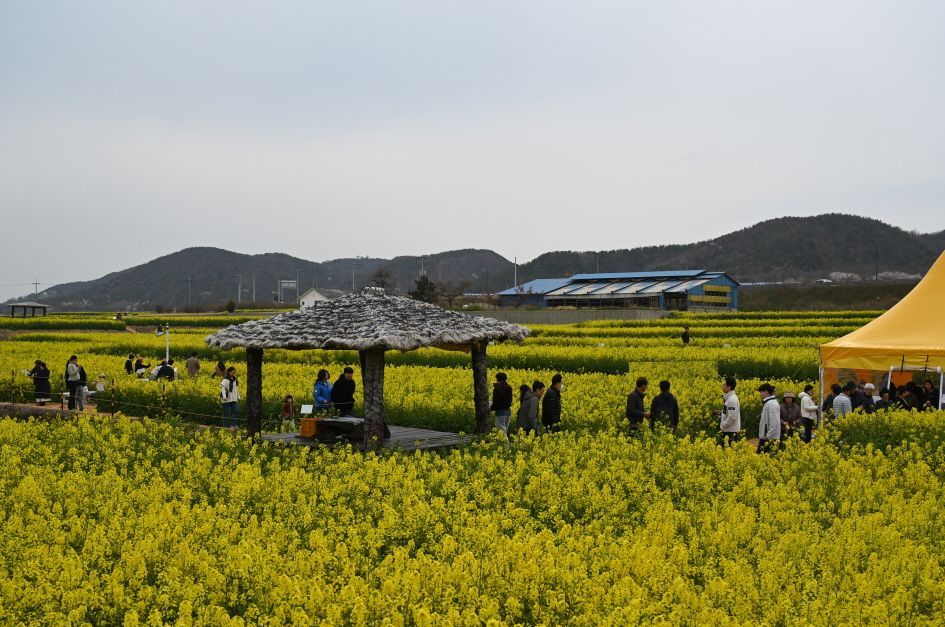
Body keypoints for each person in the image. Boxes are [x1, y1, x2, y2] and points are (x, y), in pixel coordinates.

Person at [757, 383, 781, 454]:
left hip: (769, 438)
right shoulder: (768, 402)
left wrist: (768, 436)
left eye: (761, 392)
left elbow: (774, 422)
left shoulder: (771, 403)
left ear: (766, 392)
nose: (760, 394)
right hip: (767, 437)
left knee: (763, 457)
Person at [717, 376, 741, 446]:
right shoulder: (729, 398)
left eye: (724, 385)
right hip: (729, 431)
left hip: (730, 432)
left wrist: (723, 425)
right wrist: (721, 413)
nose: (723, 386)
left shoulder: (732, 400)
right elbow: (729, 413)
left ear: (729, 387)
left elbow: (732, 417)